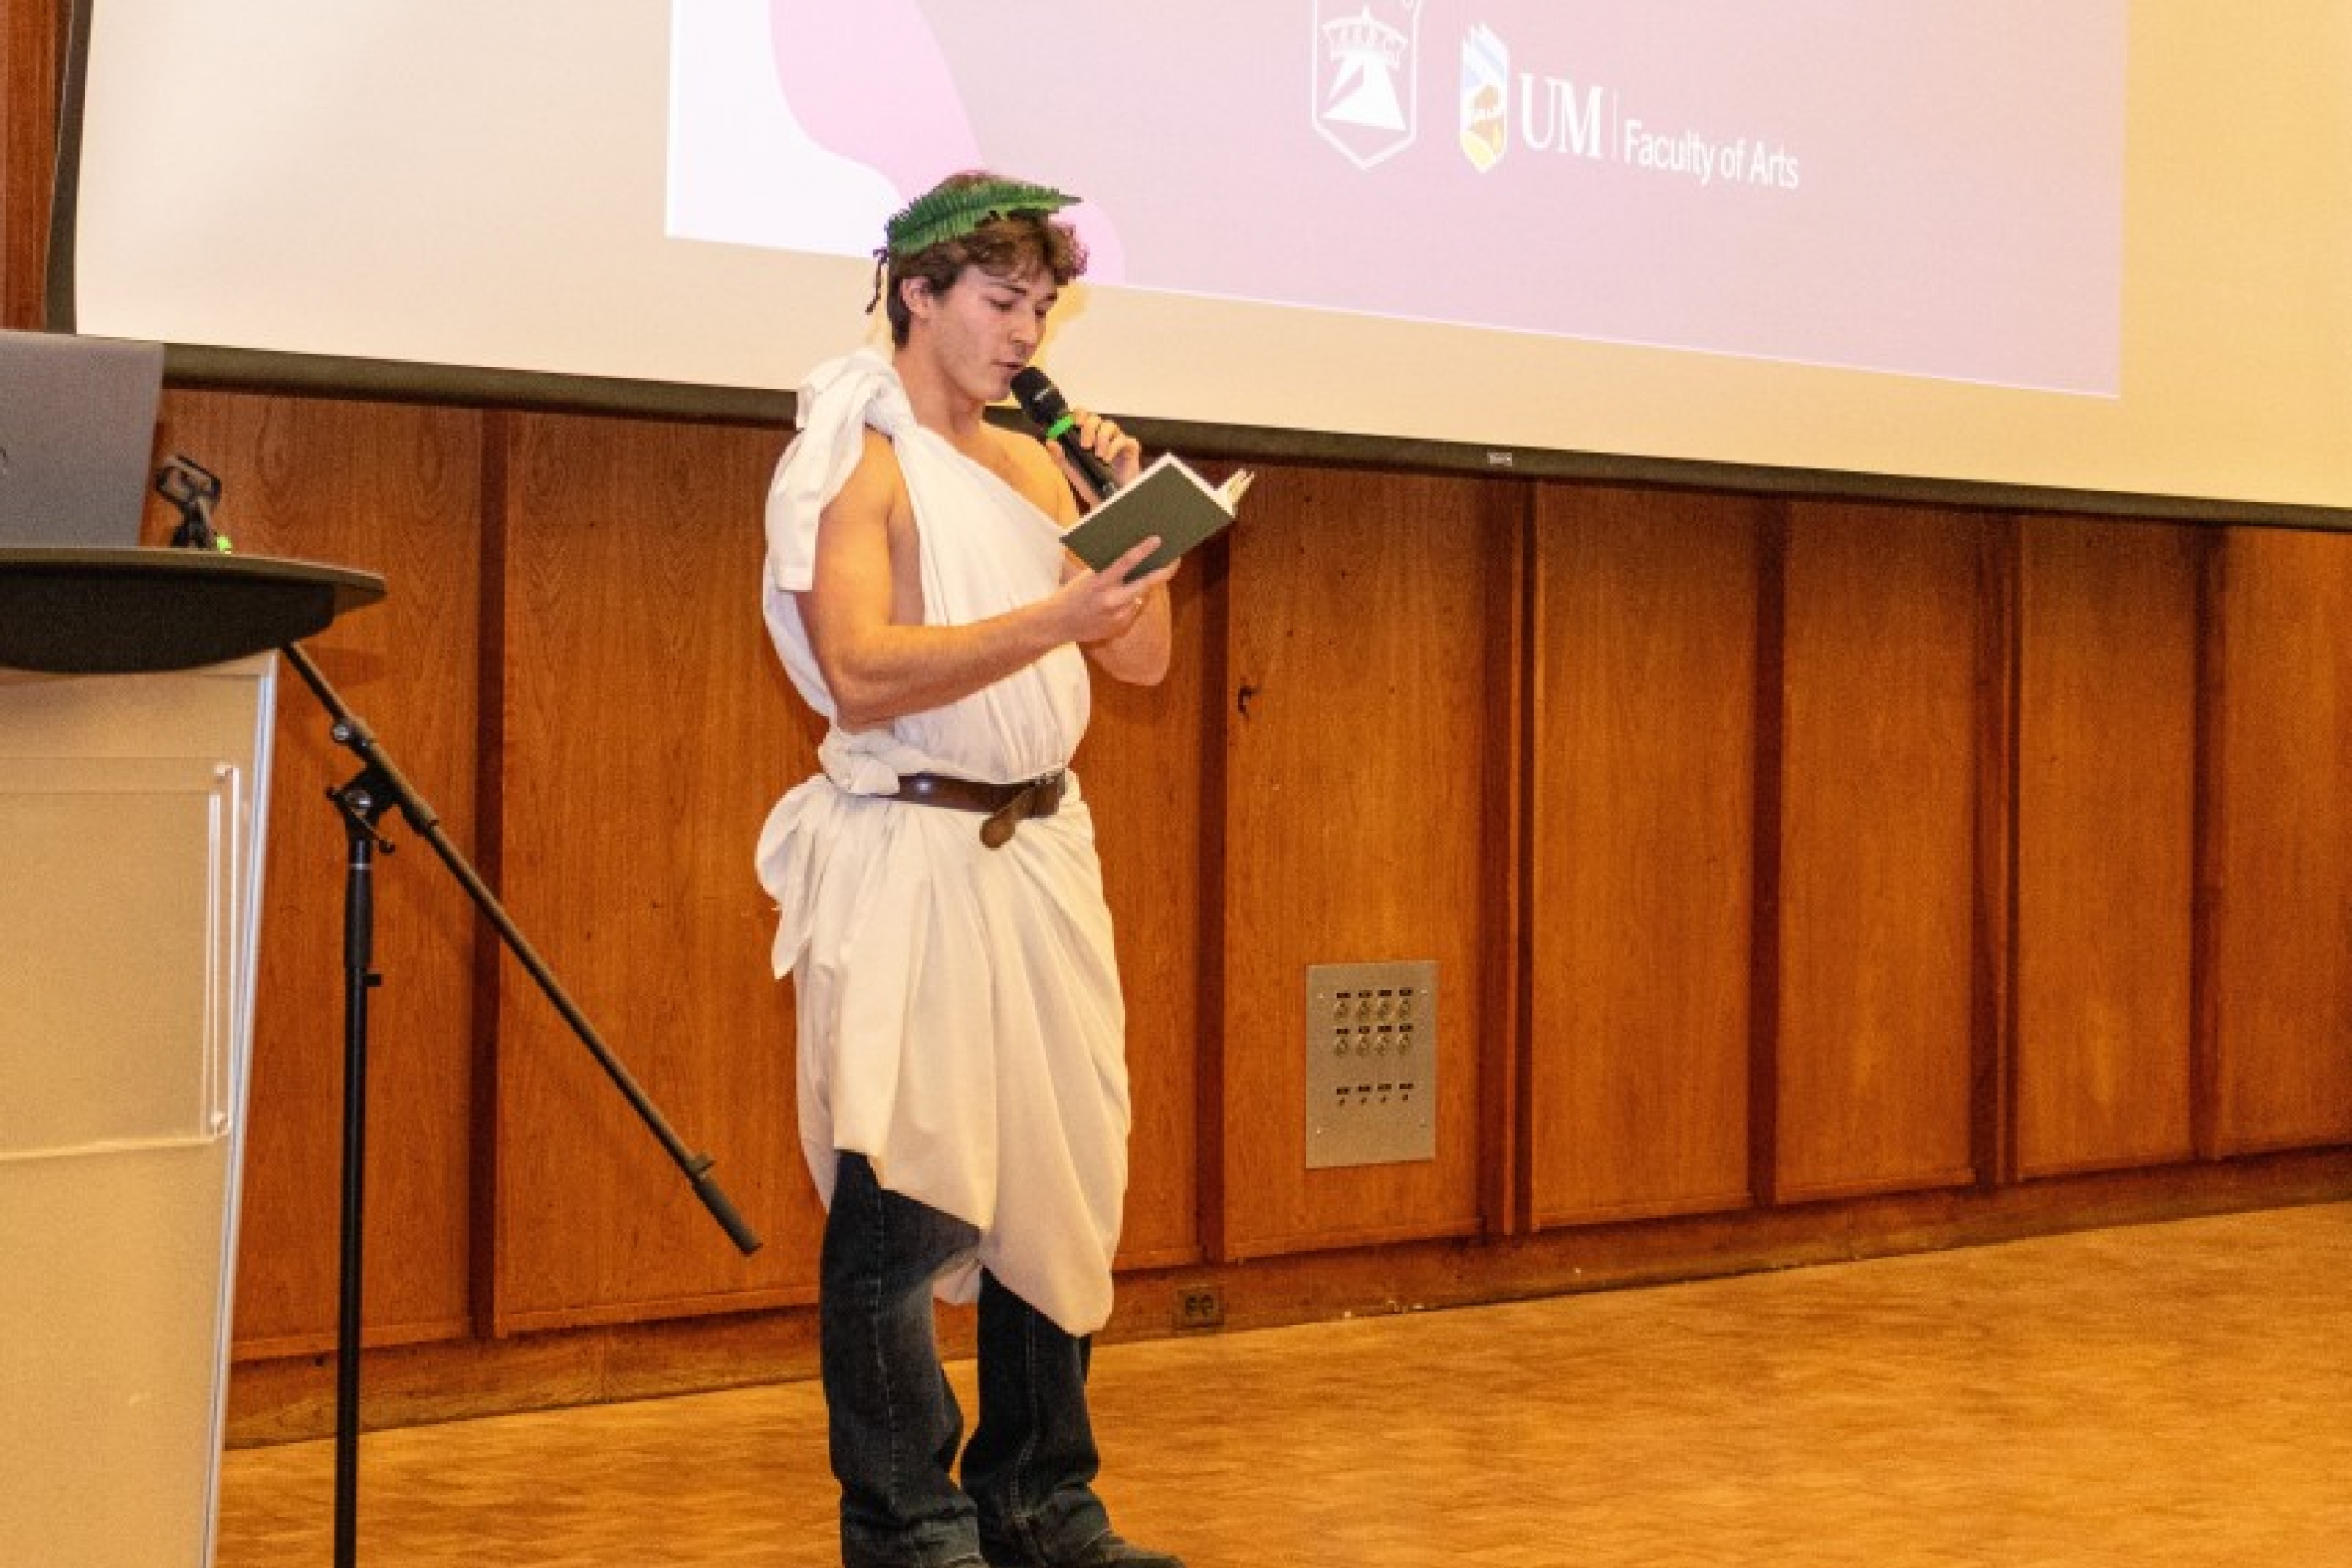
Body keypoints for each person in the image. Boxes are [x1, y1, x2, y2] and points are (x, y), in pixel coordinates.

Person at [755, 171, 1184, 1568]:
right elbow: (863, 674)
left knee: (1057, 1176)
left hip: (1041, 854)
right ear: (918, 292)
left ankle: (1038, 1497)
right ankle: (907, 1522)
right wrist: (1051, 609)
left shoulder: (1030, 461)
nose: (1028, 334)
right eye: (1003, 303)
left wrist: (1130, 533)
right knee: (908, 1196)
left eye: (1045, 306)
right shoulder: (853, 455)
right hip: (913, 857)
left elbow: (1143, 659)